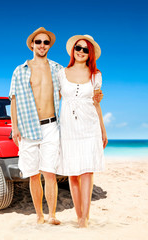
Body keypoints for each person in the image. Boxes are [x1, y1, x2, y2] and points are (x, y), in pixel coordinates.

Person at [9, 27, 63, 225]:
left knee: (50, 172)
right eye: (38, 42)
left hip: (51, 126)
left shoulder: (58, 69)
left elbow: (73, 86)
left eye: (46, 42)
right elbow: (13, 100)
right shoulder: (19, 70)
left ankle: (52, 215)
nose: (42, 45)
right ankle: (39, 216)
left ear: (49, 45)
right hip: (27, 127)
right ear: (32, 44)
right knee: (33, 174)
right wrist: (14, 128)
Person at [56, 35, 108, 228]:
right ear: (73, 50)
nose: (81, 51)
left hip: (89, 127)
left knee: (87, 172)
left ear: (90, 54)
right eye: (78, 47)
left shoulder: (96, 75)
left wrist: (103, 130)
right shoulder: (62, 73)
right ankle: (78, 215)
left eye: (86, 49)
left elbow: (96, 104)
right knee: (72, 173)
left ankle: (84, 218)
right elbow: (54, 100)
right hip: (68, 127)